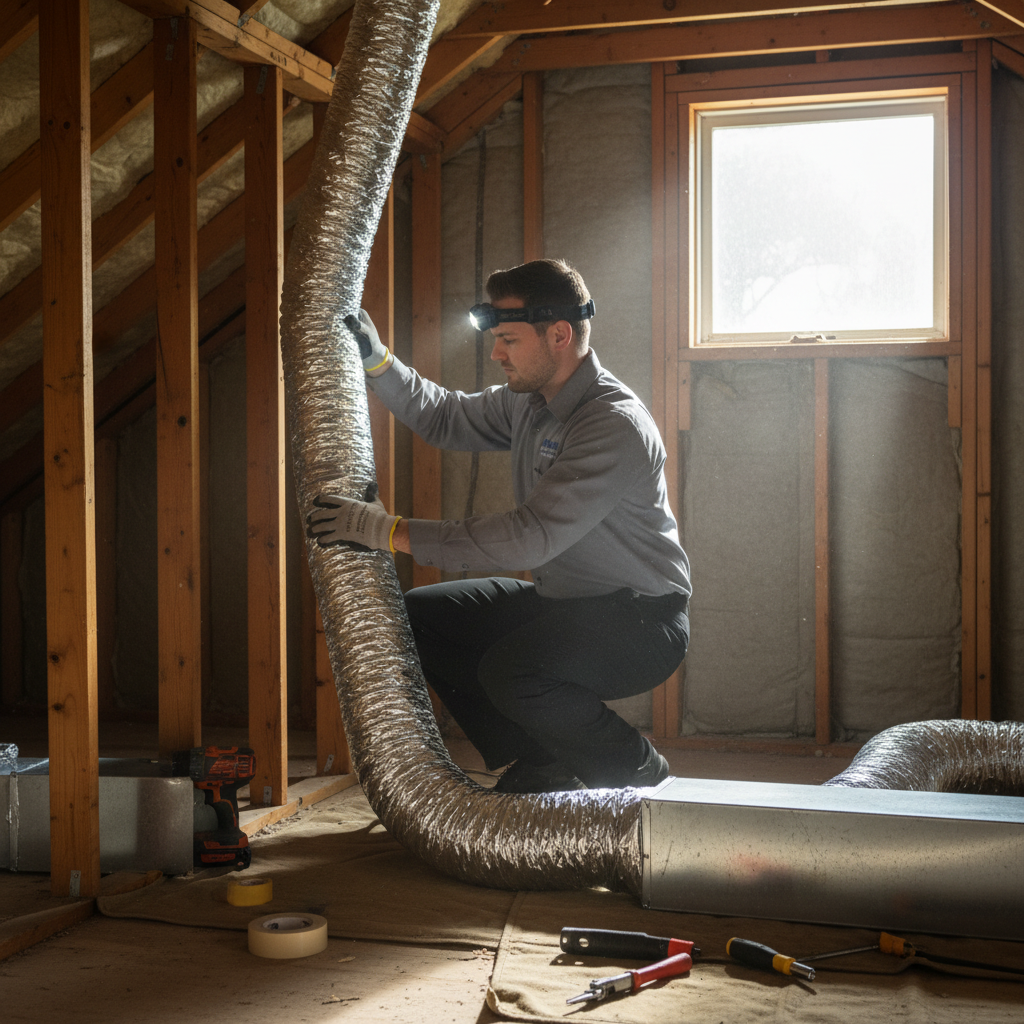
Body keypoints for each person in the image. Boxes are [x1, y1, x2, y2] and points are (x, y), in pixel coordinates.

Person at [308, 259, 691, 792]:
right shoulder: (530, 403)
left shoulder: (611, 424)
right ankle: (541, 759)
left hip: (641, 623)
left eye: (508, 339)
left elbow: (528, 535)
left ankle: (634, 768)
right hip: (567, 604)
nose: (496, 353)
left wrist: (389, 530)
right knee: (420, 617)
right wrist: (379, 363)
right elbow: (444, 416)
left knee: (513, 671)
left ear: (559, 334)